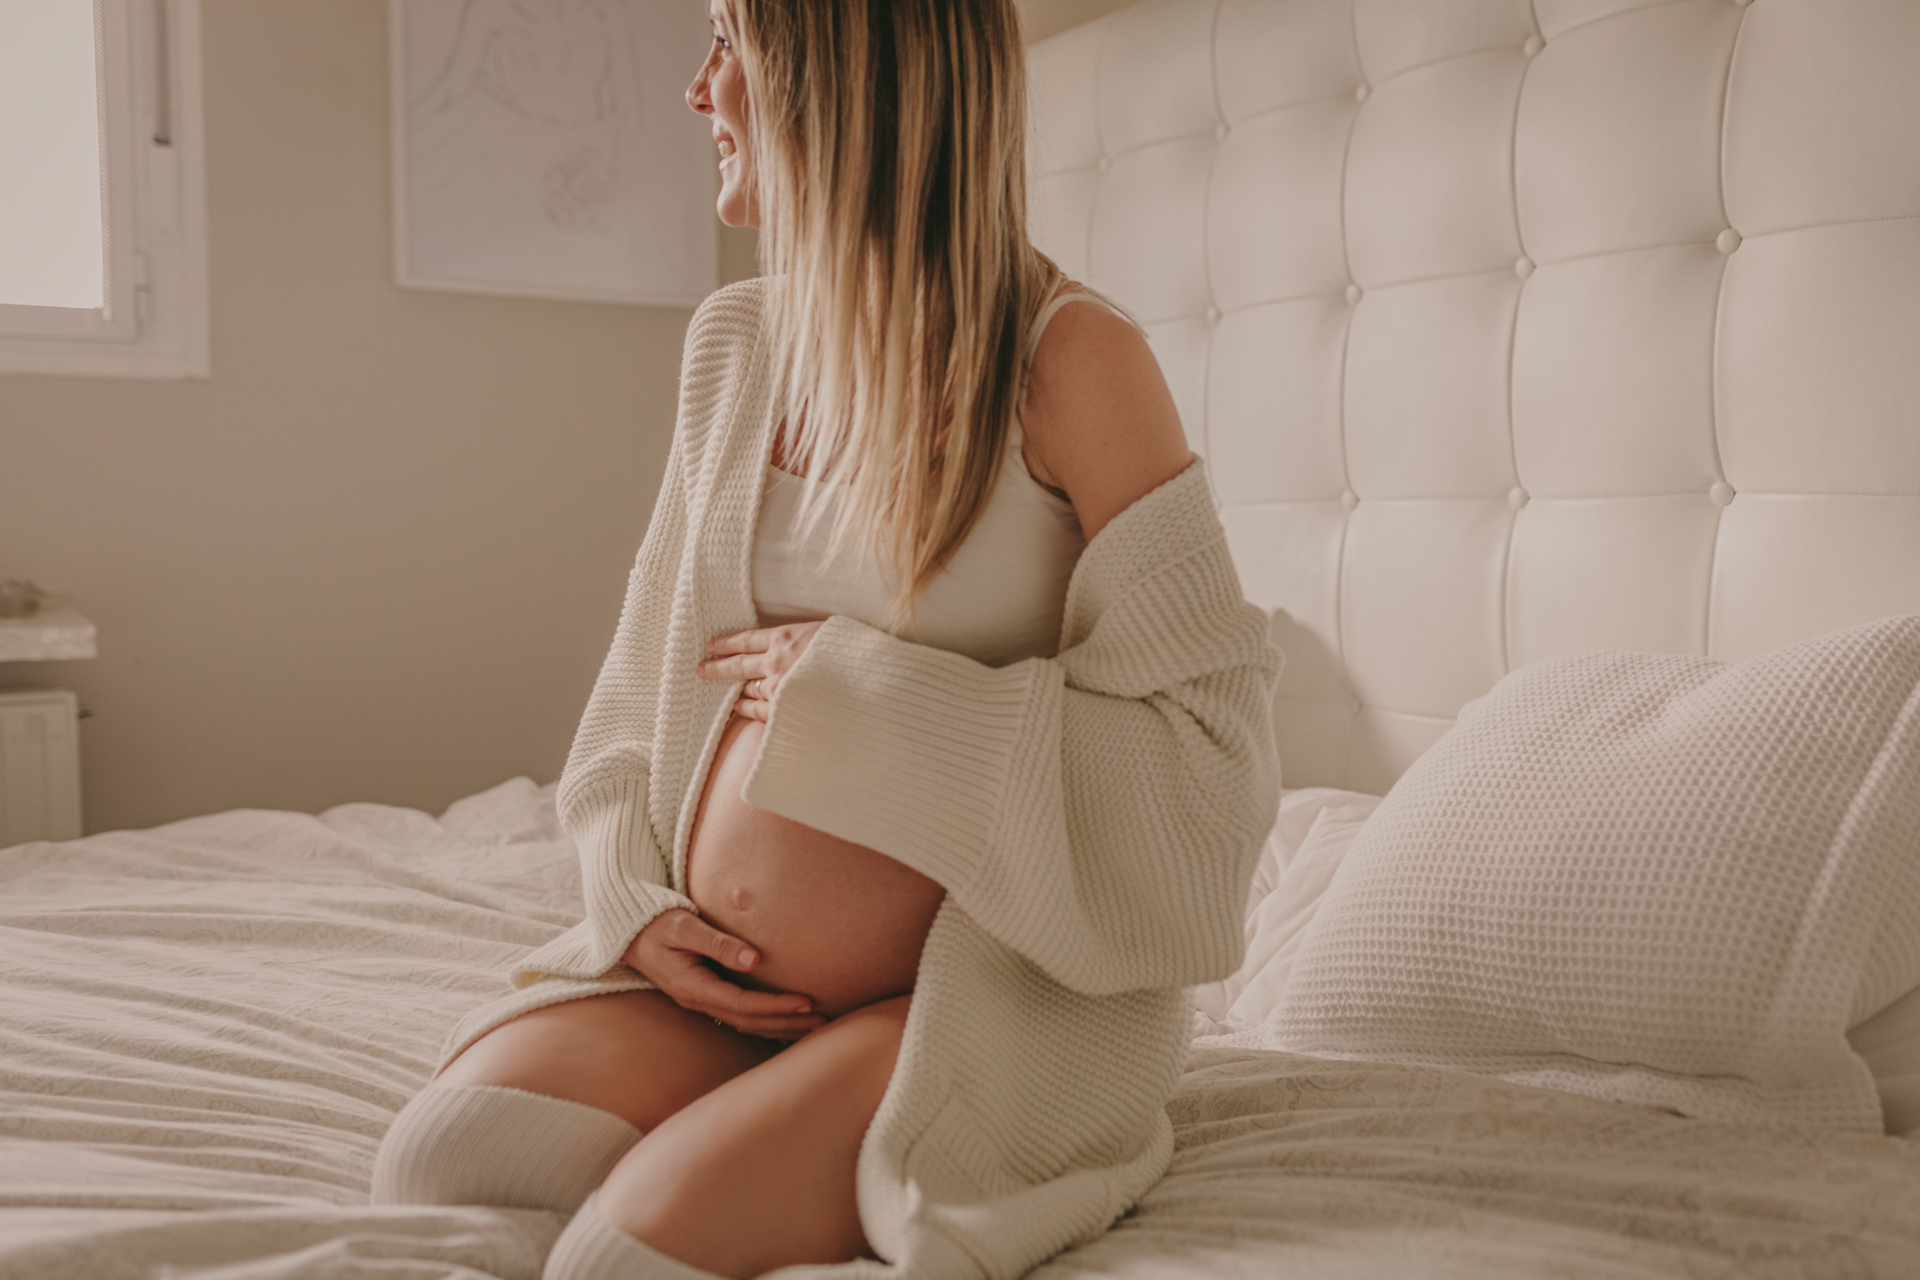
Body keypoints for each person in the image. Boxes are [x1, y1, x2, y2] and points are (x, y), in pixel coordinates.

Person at [370, 2, 1281, 1278]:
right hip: (732, 991)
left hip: (977, 992)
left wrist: (867, 697)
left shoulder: (1072, 361)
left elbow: (1208, 779)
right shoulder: (736, 346)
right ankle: (777, 1120)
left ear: (838, 73)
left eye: (726, 43)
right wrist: (634, 905)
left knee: (614, 1260)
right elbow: (637, 688)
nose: (697, 90)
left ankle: (851, 1125)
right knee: (446, 1150)